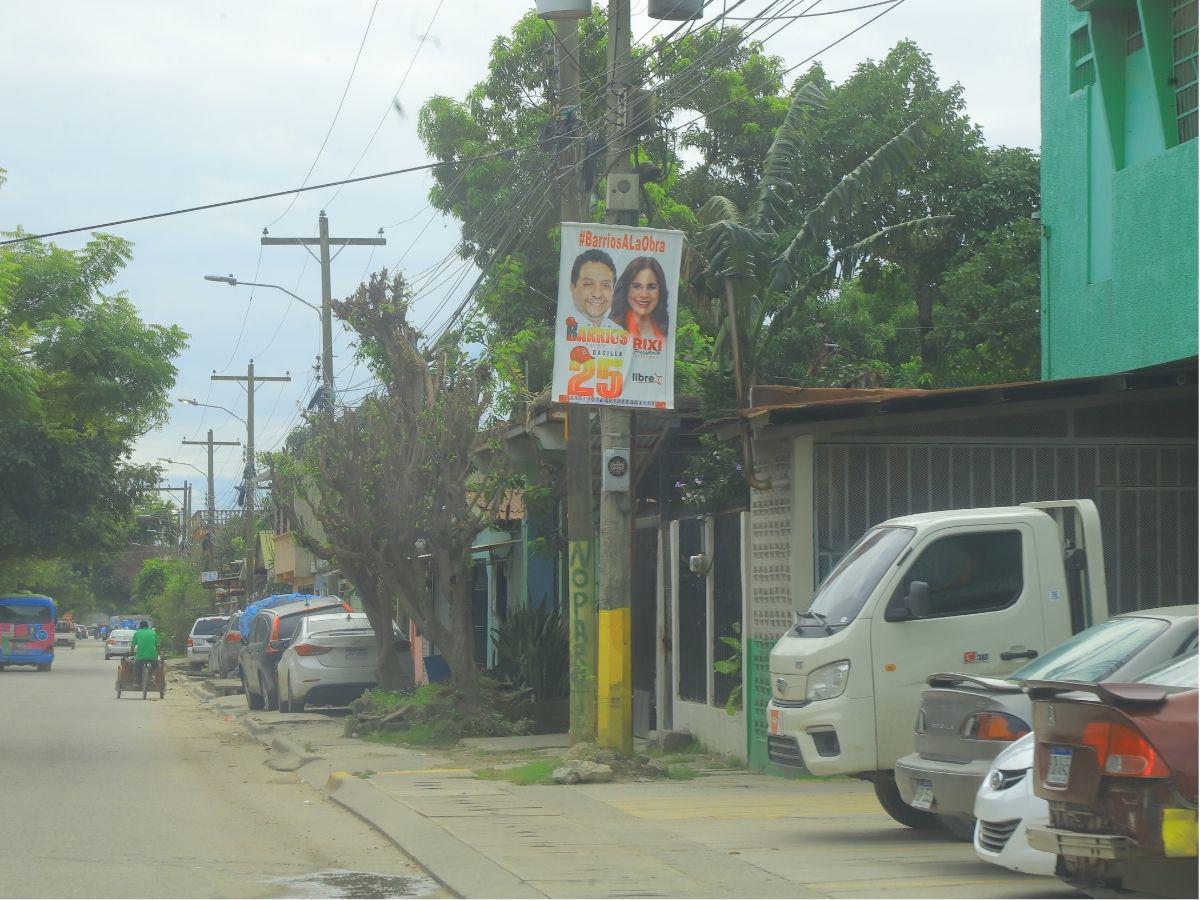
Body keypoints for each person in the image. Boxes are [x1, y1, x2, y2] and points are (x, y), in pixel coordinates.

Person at [609, 256, 669, 341]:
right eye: (636, 286)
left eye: (651, 287)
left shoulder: (667, 330)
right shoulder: (611, 329)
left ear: (660, 290)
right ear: (626, 289)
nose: (644, 295)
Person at [568, 249, 618, 326]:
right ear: (573, 288)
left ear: (613, 291)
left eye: (606, 285)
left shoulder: (619, 333)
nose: (597, 294)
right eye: (588, 284)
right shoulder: (561, 328)